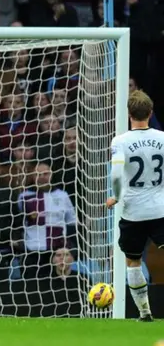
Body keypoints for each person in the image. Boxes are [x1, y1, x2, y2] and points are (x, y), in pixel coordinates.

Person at [106, 90, 164, 322]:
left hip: (133, 212)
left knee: (133, 260)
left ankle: (144, 313)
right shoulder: (163, 138)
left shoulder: (120, 141)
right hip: (160, 209)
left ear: (129, 113)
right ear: (150, 113)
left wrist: (116, 197)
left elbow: (117, 174)